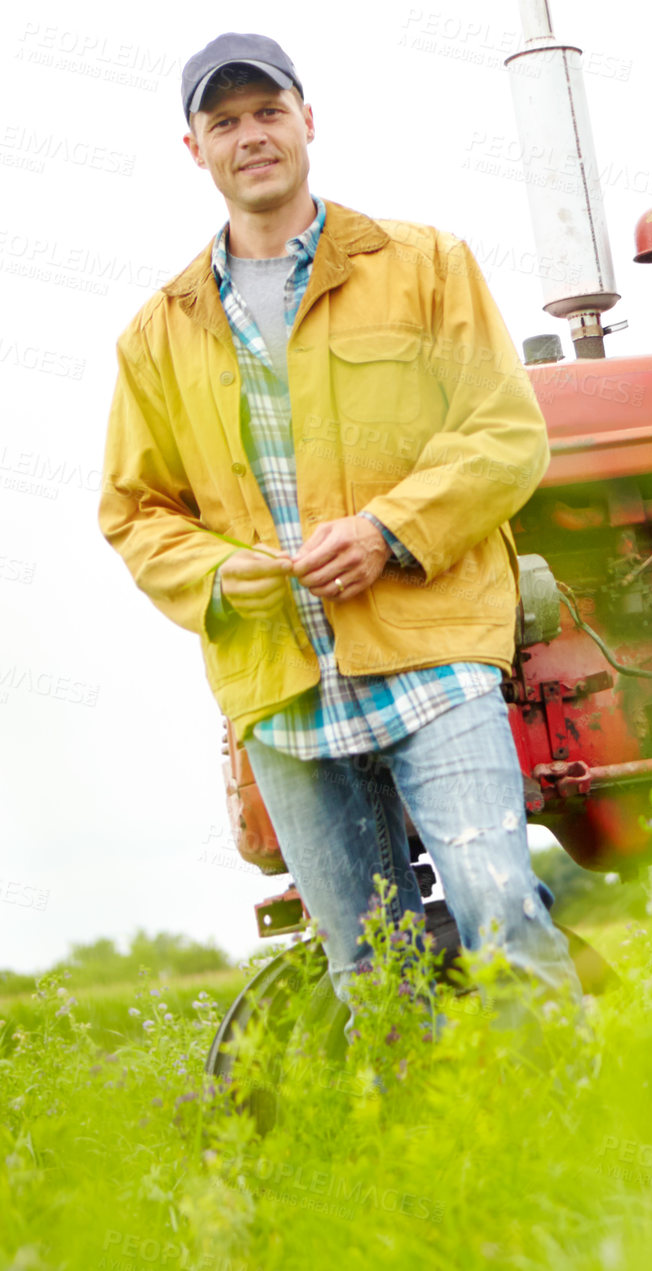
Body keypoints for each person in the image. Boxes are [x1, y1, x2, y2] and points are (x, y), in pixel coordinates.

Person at [98, 32, 582, 1022]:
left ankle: (576, 1159)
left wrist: (389, 531)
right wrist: (218, 576)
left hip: (430, 650)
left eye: (268, 111)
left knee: (502, 911)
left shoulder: (423, 265)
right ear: (194, 148)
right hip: (278, 687)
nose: (252, 136)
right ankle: (420, 1174)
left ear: (308, 120)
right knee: (371, 975)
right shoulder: (159, 332)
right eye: (223, 120)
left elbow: (504, 432)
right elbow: (136, 510)